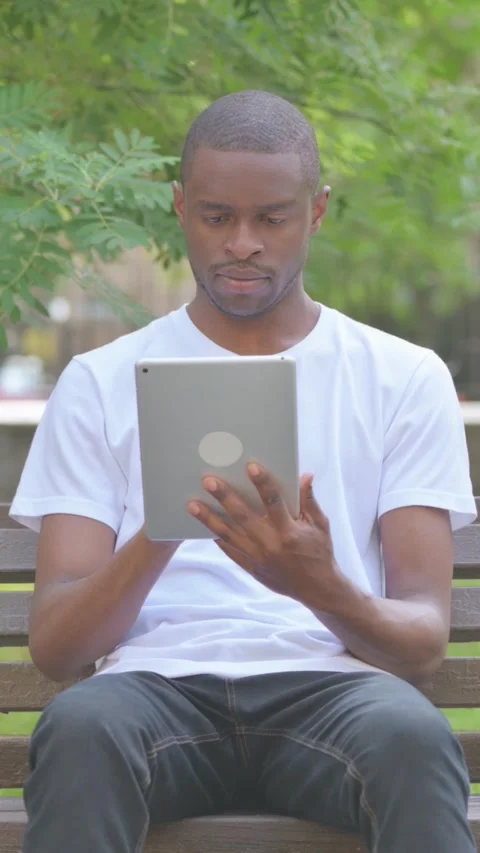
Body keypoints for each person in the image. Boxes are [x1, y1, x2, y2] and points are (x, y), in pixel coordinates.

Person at [11, 90, 477, 853]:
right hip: (152, 695)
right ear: (179, 207)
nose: (243, 243)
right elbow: (59, 649)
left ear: (318, 210)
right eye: (217, 215)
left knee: (413, 739)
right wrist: (169, 523)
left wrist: (315, 581)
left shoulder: (402, 376)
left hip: (334, 693)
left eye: (273, 217)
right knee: (81, 728)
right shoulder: (102, 380)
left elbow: (422, 644)